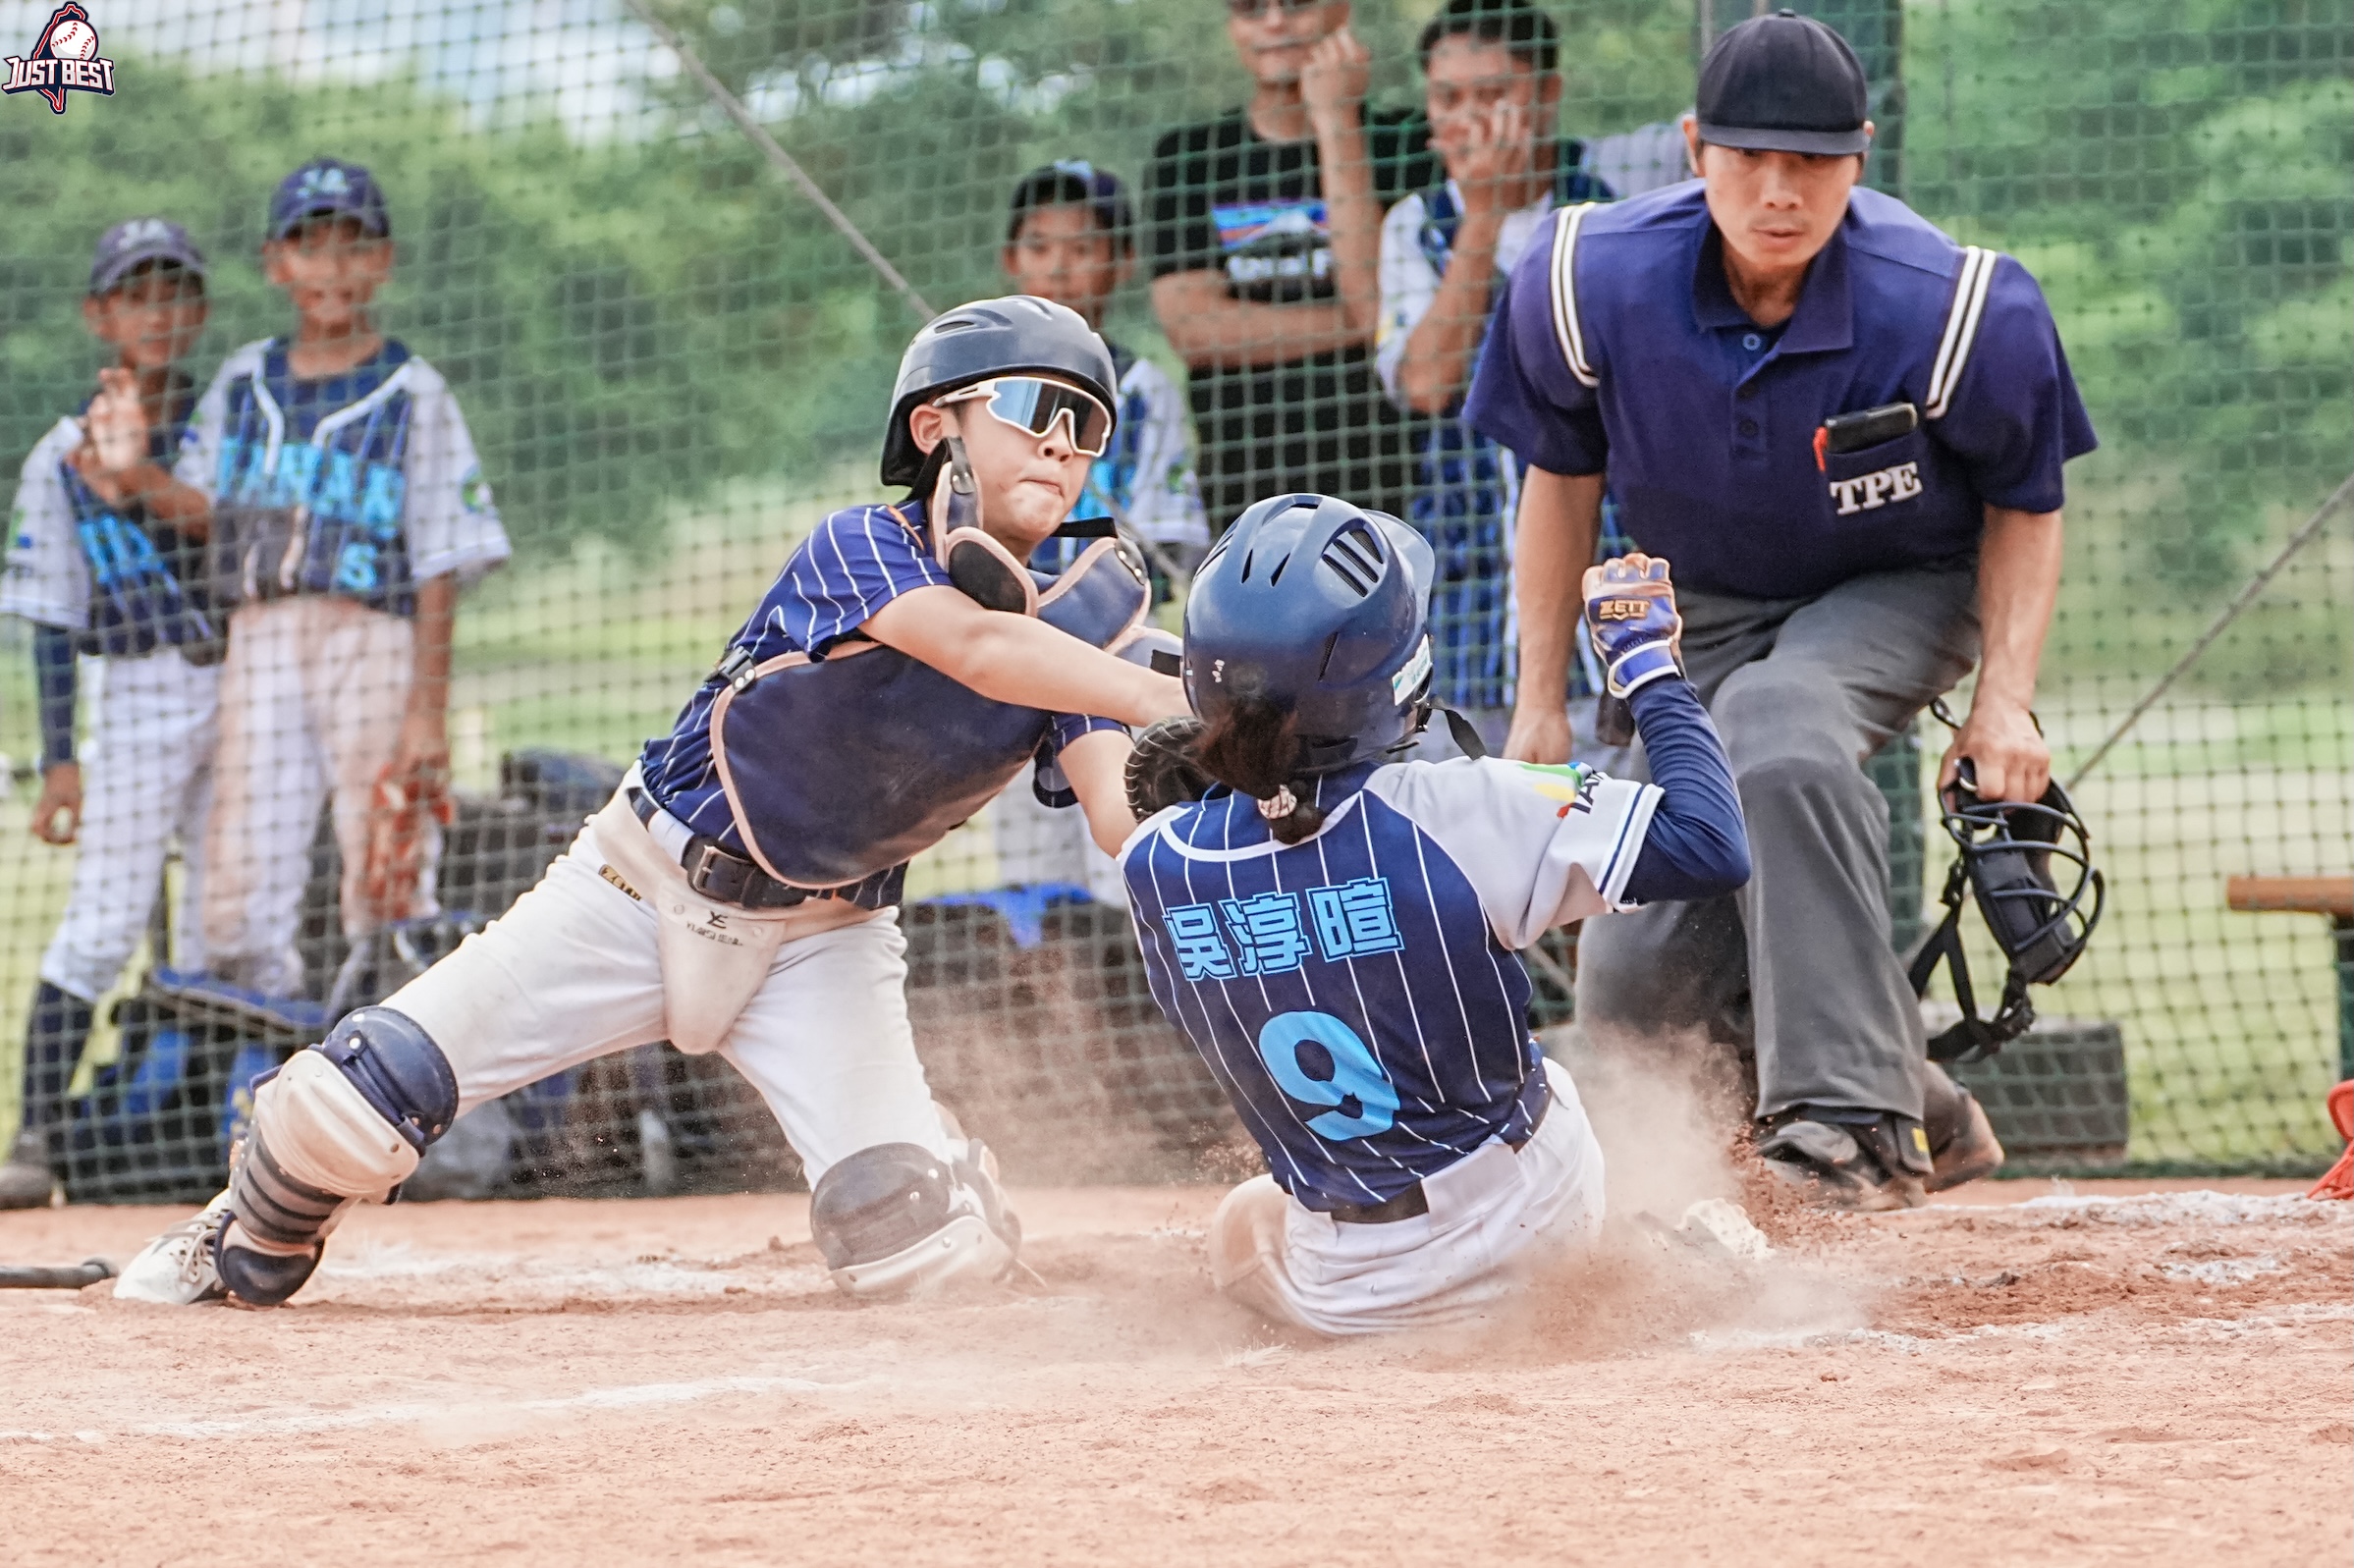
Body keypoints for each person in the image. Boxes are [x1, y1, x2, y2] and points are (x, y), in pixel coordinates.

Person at [114, 296, 1191, 1309]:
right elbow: (976, 646)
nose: (1064, 439)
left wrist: (1229, 759)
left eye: (1088, 422)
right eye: (1035, 406)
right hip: (641, 882)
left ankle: (943, 1166)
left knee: (916, 1250)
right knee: (340, 1111)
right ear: (935, 425)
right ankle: (244, 1223)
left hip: (828, 938)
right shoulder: (862, 545)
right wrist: (1168, 684)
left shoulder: (1080, 641)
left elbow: (1115, 811)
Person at [1463, 11, 2098, 1209]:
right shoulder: (1585, 279)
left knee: (1779, 721)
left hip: (1901, 587)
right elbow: (1561, 483)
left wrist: (2004, 702)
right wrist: (1538, 708)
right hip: (1699, 600)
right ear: (1694, 147)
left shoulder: (1952, 308)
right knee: (1641, 969)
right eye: (1749, 156)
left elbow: (2027, 498)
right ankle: (1922, 1095)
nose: (1778, 189)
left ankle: (1856, 1130)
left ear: (1859, 159)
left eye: (1810, 161)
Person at [1120, 495, 1747, 1334]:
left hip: (1342, 1292)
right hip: (1530, 1221)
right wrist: (1645, 668)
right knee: (1542, 1076)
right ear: (1397, 680)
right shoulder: (1461, 809)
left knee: (1244, 1216)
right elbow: (1711, 842)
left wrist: (1238, 792)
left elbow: (1283, 883)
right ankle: (1656, 1265)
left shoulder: (1155, 862)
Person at [182, 157, 511, 1003]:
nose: (331, 267)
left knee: (388, 859)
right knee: (237, 873)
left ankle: (394, 1069)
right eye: (310, 245)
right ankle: (248, 1074)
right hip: (258, 635)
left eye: (351, 246)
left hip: (373, 634)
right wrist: (120, 474)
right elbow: (195, 509)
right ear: (275, 262)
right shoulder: (241, 383)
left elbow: (442, 559)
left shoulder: (414, 391)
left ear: (383, 261)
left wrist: (427, 714)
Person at [0, 219, 219, 1209]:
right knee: (103, 920)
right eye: (137, 294)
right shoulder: (59, 452)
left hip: (248, 685)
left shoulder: (229, 421)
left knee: (233, 920)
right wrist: (58, 757)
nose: (159, 313)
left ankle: (228, 1131)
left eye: (176, 293)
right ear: (101, 314)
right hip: (134, 687)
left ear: (201, 311)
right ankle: (36, 1138)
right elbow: (49, 614)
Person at [1375, 0, 1612, 755]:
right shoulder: (1416, 222)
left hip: (1605, 609)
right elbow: (1426, 384)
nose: (1468, 119)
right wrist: (1480, 218)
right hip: (1465, 615)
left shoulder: (1610, 209)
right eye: (1449, 99)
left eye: (1492, 95)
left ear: (1544, 93)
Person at [993, 160, 1208, 904]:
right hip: (1007, 663)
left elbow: (1170, 544)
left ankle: (1135, 1018)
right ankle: (1046, 1017)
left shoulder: (1142, 389)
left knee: (1124, 867)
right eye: (1040, 244)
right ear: (1010, 260)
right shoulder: (978, 387)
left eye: (1082, 246)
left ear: (1120, 261)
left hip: (1114, 663)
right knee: (1034, 878)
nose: (1058, 264)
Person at [1146, 0, 1433, 527]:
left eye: (1296, 3)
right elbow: (1195, 329)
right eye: (1252, 7)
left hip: (1395, 483)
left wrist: (1336, 120)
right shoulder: (1188, 157)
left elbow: (1388, 299)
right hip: (1247, 493)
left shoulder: (1409, 143)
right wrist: (1363, 324)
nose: (1274, 22)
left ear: (1340, 11)